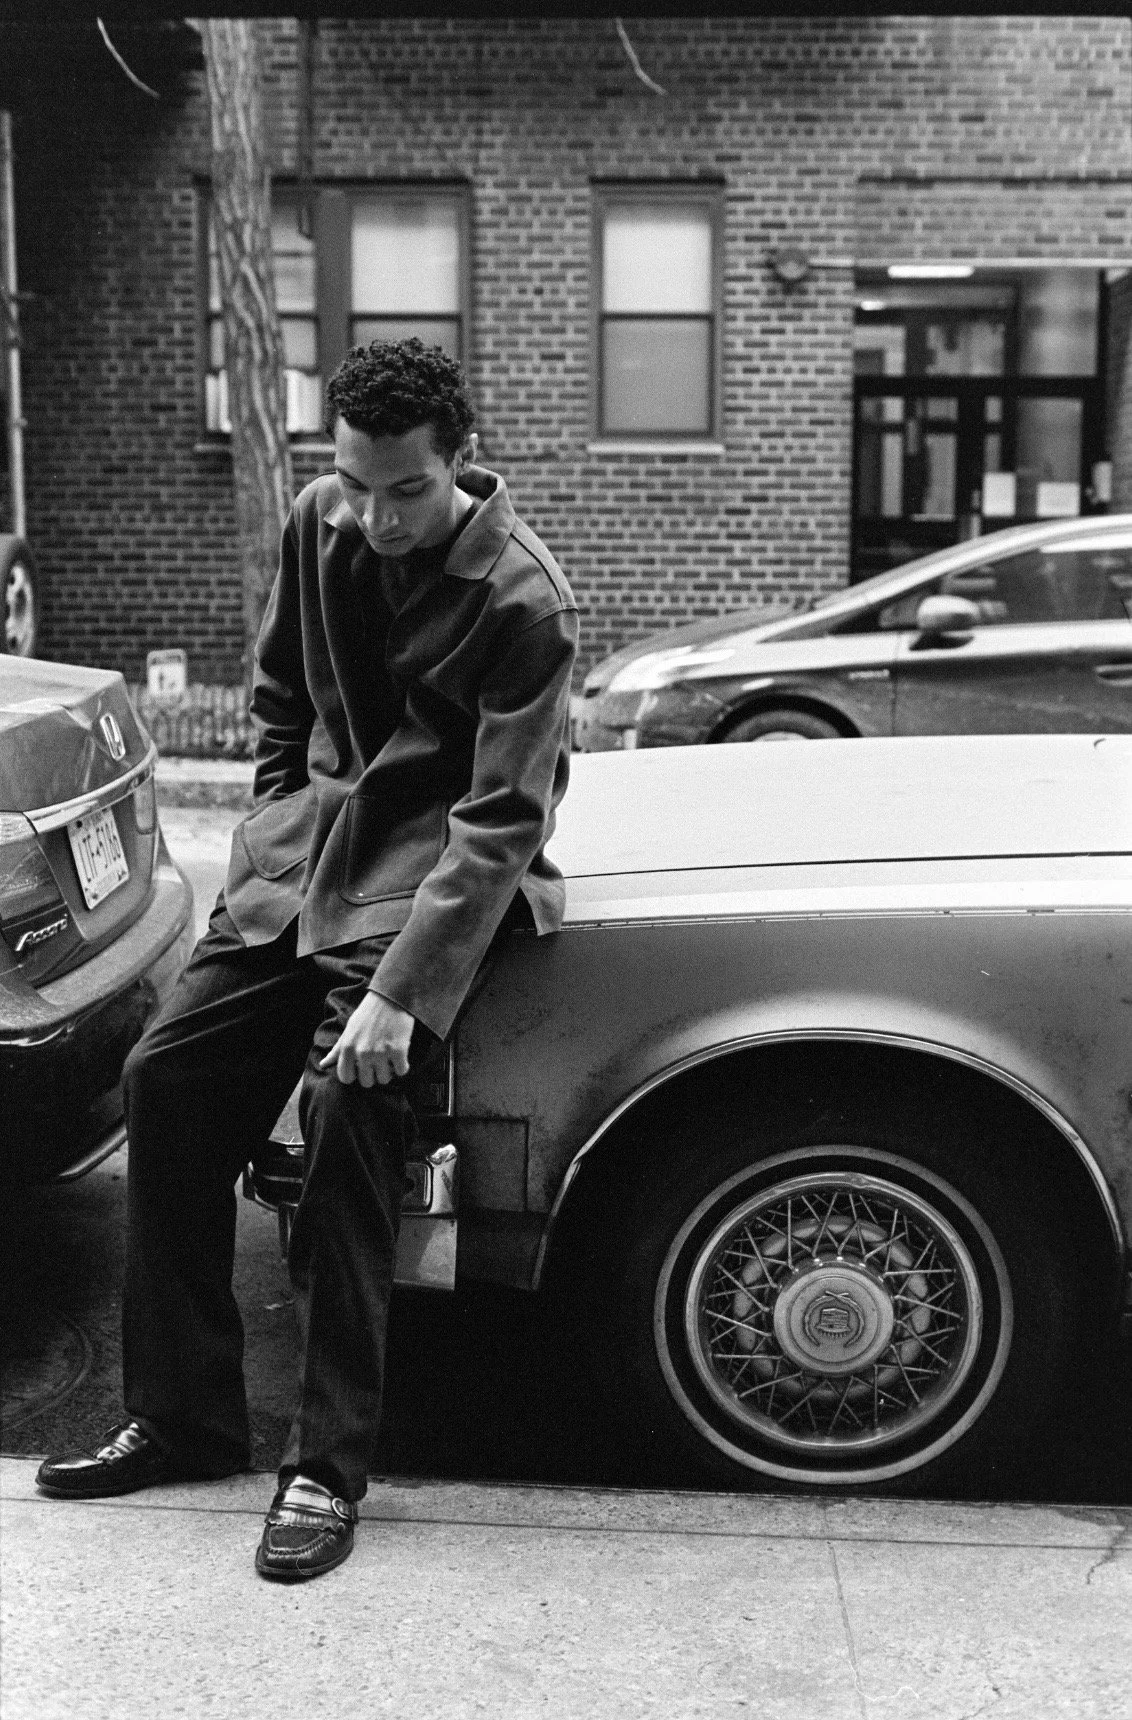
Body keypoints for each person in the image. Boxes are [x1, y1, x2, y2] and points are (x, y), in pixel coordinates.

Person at [36, 338, 579, 1582]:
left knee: (348, 1114)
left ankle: (324, 1472)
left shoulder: (526, 600)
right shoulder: (317, 519)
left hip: (425, 887)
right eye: (356, 484)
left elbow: (504, 820)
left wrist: (400, 991)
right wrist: (278, 829)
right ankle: (184, 1417)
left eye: (406, 491)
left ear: (462, 463)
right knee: (165, 1080)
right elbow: (281, 700)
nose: (377, 516)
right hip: (301, 867)